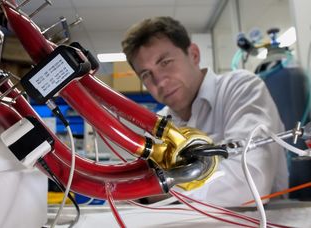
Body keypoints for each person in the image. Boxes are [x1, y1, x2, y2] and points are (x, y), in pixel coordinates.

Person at [121, 16, 288, 207]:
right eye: (146, 74)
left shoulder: (242, 88)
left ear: (193, 54)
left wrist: (153, 191)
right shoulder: (157, 127)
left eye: (165, 62)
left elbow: (250, 181)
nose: (160, 81)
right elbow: (131, 193)